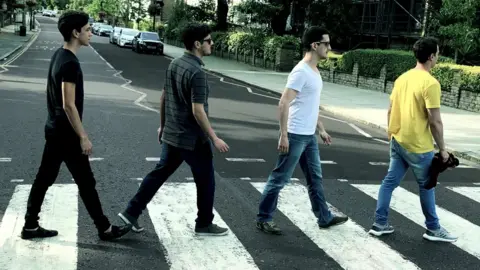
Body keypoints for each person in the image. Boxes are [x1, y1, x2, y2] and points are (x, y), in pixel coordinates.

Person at [21, 11, 132, 241]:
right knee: (85, 182)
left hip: (54, 129)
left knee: (45, 178)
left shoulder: (58, 55)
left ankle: (31, 225)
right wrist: (83, 136)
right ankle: (104, 229)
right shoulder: (70, 63)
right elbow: (69, 105)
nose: (91, 33)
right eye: (88, 29)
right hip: (67, 134)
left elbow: (53, 96)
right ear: (76, 32)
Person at [118, 22, 230, 236]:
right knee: (206, 180)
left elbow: (163, 97)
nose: (212, 43)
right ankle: (204, 224)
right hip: (192, 139)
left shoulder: (175, 63)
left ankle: (131, 211)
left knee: (159, 174)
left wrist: (162, 125)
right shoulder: (197, 73)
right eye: (208, 40)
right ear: (198, 44)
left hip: (172, 134)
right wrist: (214, 138)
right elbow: (198, 111)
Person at [255, 26, 349, 235]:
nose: (329, 47)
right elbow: (284, 102)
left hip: (309, 136)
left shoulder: (314, 71)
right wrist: (284, 134)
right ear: (315, 46)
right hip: (296, 135)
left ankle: (324, 217)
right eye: (326, 43)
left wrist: (321, 129)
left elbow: (310, 105)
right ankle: (264, 218)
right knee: (280, 178)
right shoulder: (301, 71)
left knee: (315, 178)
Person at [368, 37, 457, 242]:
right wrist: (443, 150)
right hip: (418, 145)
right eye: (437, 54)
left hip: (398, 140)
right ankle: (433, 229)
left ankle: (379, 223)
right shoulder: (431, 83)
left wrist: (391, 134)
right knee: (427, 185)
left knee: (389, 182)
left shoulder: (403, 78)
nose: (438, 57)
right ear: (431, 56)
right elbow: (435, 121)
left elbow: (390, 109)